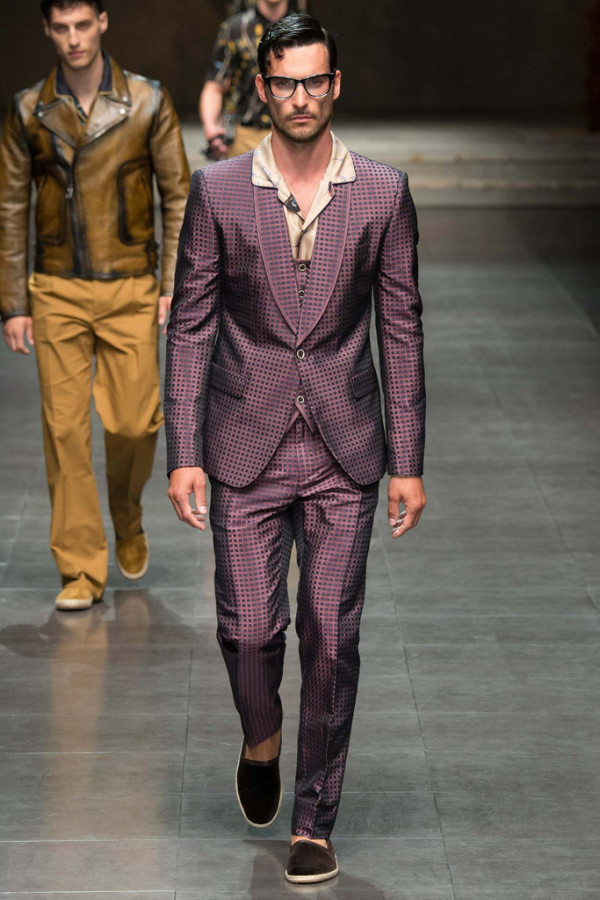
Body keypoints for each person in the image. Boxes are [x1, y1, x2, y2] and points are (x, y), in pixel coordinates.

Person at [166, 13, 426, 884]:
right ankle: (262, 738)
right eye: (285, 82)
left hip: (346, 448)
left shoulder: (382, 192)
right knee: (246, 632)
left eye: (316, 80)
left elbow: (400, 327)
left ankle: (314, 820)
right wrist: (184, 448)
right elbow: (192, 323)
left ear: (335, 85)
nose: (302, 96)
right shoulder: (219, 191)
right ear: (263, 89)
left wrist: (408, 460)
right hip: (245, 441)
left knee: (332, 637)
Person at [0, 0, 190, 611]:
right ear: (47, 30)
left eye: (83, 25)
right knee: (64, 434)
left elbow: (179, 197)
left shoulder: (147, 102)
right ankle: (80, 568)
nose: (74, 38)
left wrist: (173, 283)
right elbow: (11, 207)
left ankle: (126, 514)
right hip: (55, 287)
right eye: (61, 28)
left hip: (131, 284)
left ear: (103, 22)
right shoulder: (28, 109)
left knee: (135, 423)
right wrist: (13, 301)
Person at [200, 0, 292, 160]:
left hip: (291, 131)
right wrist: (211, 128)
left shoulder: (304, 30)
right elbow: (215, 85)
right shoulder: (235, 29)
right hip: (242, 136)